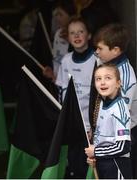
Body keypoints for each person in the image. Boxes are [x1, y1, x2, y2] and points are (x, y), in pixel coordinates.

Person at [91, 22, 137, 178]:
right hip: (104, 144)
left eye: (100, 49)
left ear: (116, 50)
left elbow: (118, 113)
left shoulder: (126, 76)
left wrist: (97, 150)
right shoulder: (106, 64)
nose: (96, 52)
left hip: (120, 141)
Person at [55, 15, 97, 178]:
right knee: (73, 163)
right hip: (72, 124)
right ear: (67, 37)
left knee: (89, 165)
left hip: (91, 126)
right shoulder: (66, 61)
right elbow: (61, 90)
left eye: (81, 31)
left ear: (89, 35)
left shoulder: (97, 59)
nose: (77, 36)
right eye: (72, 33)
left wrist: (95, 126)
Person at [85, 63, 132, 179]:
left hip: (117, 166)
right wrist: (95, 157)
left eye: (108, 78)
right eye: (98, 79)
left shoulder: (120, 109)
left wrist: (96, 152)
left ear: (118, 83)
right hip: (103, 163)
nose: (102, 82)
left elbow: (123, 146)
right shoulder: (100, 102)